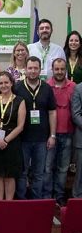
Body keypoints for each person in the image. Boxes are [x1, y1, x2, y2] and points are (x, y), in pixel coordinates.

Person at [14, 56, 57, 199]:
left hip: (42, 139)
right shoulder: (17, 87)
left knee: (39, 173)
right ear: (25, 69)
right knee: (22, 172)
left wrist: (52, 135)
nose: (32, 71)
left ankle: (36, 202)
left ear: (40, 70)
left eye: (35, 68)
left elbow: (52, 112)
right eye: (30, 68)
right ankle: (21, 201)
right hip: (22, 138)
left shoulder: (47, 88)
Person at [0, 71, 26, 200]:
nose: (4, 85)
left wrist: (6, 140)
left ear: (12, 83)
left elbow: (20, 126)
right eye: (1, 83)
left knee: (10, 176)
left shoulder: (19, 101)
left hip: (11, 142)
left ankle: (9, 205)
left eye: (6, 82)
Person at [44, 58, 75, 205]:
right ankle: (47, 196)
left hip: (68, 133)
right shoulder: (46, 87)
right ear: (52, 70)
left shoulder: (73, 87)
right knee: (48, 167)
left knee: (63, 168)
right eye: (57, 69)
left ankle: (59, 196)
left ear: (66, 70)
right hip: (50, 134)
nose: (59, 72)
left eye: (62, 69)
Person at [72, 81, 82, 198]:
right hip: (81, 141)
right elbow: (76, 114)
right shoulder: (79, 89)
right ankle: (78, 200)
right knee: (80, 174)